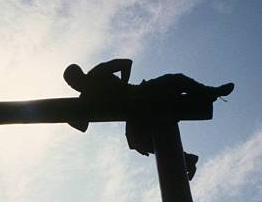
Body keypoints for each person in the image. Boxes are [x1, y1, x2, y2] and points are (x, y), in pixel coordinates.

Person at [63, 59, 234, 180]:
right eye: (70, 85)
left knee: (175, 79)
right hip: (133, 114)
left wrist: (123, 86)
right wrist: (67, 114)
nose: (73, 86)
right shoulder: (85, 97)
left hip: (141, 92)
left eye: (73, 82)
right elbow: (82, 126)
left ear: (80, 75)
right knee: (139, 141)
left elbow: (125, 63)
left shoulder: (97, 73)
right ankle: (186, 159)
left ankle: (209, 92)